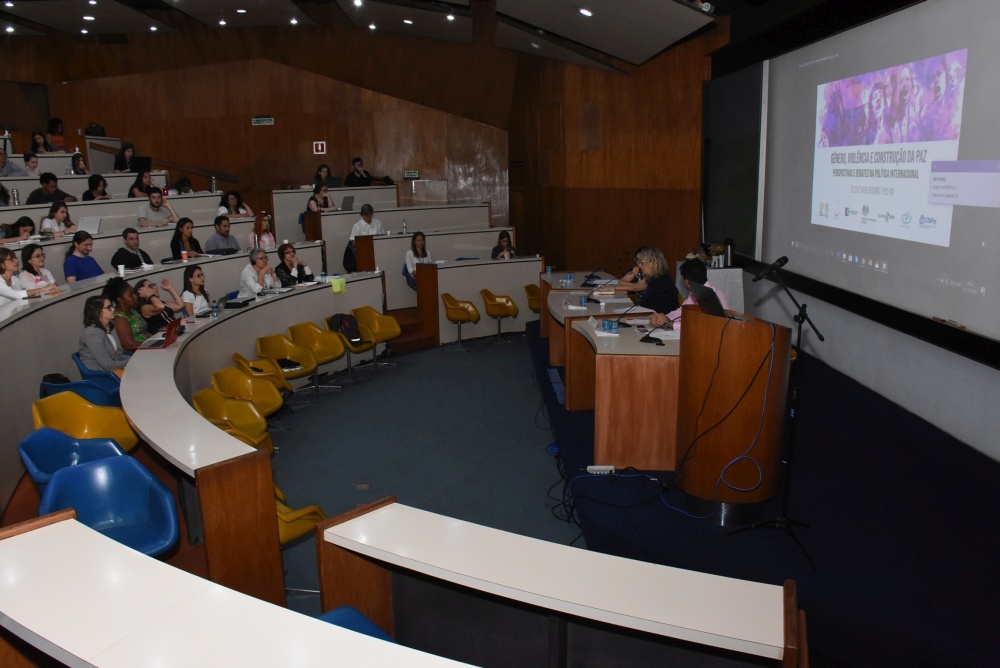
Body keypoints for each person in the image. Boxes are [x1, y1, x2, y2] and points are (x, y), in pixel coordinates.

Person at [649, 258, 730, 331]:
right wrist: (663, 318)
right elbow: (682, 311)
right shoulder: (698, 291)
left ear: (687, 281)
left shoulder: (711, 294)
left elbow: (699, 326)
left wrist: (669, 324)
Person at [78, 295, 130, 376]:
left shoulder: (109, 326)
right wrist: (132, 361)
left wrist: (135, 359)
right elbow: (108, 365)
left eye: (112, 306)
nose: (113, 309)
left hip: (114, 369)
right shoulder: (92, 334)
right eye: (109, 307)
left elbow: (118, 355)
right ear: (97, 311)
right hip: (101, 375)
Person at [625, 247, 679, 315]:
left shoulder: (662, 283)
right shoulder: (654, 278)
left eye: (642, 262)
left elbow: (653, 310)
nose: (639, 266)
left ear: (654, 263)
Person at [105, 277, 149, 351]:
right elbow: (129, 345)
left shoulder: (132, 310)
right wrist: (152, 344)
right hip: (136, 353)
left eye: (134, 293)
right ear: (120, 299)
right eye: (130, 295)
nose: (135, 296)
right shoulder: (119, 318)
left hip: (148, 347)